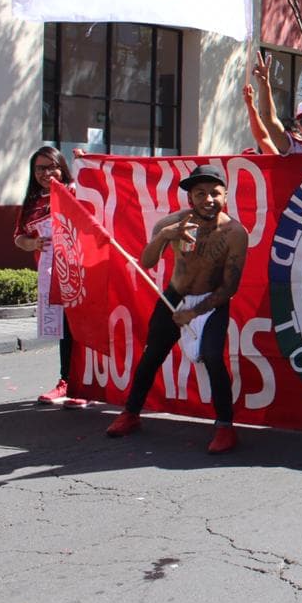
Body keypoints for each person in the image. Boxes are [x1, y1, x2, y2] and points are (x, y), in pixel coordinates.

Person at [104, 165, 249, 454]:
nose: (208, 199)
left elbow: (229, 287)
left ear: (225, 196)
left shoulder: (235, 232)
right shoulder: (172, 222)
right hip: (174, 297)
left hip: (212, 302)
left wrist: (194, 313)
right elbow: (146, 262)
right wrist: (163, 236)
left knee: (212, 358)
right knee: (153, 354)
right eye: (200, 193)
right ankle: (130, 413)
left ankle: (225, 428)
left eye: (215, 193)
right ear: (190, 198)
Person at [15, 146, 86, 408]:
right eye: (40, 168)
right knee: (65, 330)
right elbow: (19, 237)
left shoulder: (76, 191)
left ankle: (88, 385)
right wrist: (32, 245)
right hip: (54, 276)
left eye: (51, 166)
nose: (46, 173)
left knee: (84, 329)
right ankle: (67, 381)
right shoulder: (31, 204)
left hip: (83, 273)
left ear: (62, 166)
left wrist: (86, 163)